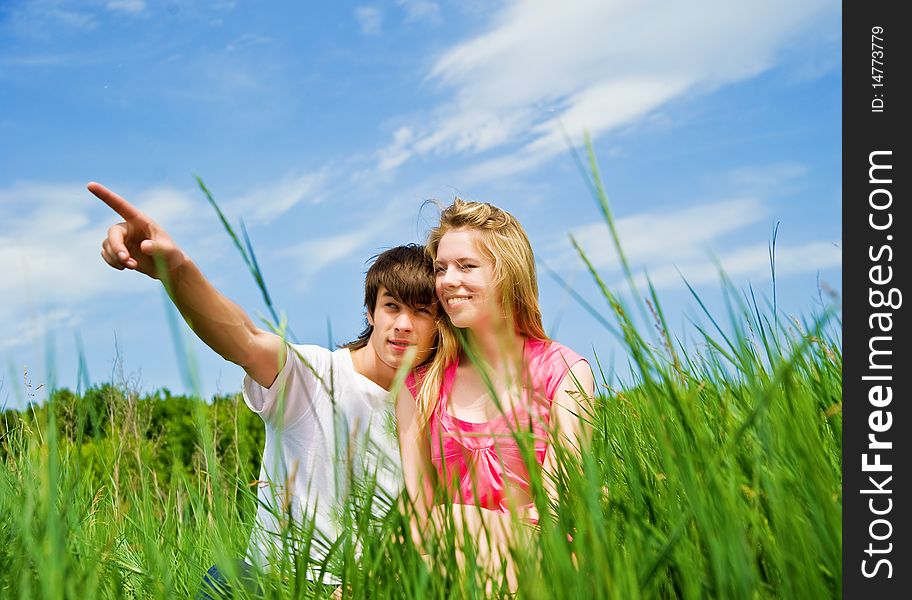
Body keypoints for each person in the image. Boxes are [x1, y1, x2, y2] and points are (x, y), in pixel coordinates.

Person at [88, 182, 439, 590]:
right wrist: (177, 270)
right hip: (272, 582)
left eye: (420, 312)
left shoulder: (433, 413)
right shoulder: (316, 375)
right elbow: (244, 337)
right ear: (370, 312)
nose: (402, 325)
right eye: (392, 307)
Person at [396, 198, 595, 584]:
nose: (447, 281)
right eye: (441, 269)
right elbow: (418, 516)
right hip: (447, 564)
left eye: (466, 266)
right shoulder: (421, 385)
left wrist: (458, 523)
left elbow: (554, 513)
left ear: (507, 273)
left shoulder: (565, 373)